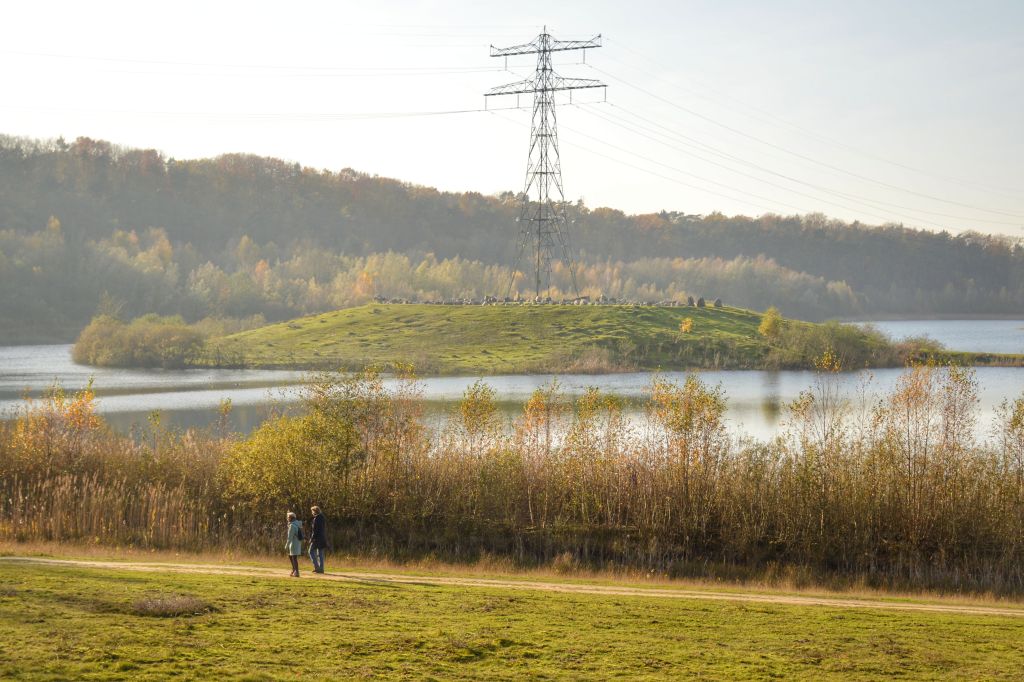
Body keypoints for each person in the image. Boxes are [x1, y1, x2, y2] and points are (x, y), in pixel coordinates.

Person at [309, 505, 327, 574]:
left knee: (310, 551)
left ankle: (317, 567)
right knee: (320, 554)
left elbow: (315, 530)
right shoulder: (322, 517)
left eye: (312, 511)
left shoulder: (316, 518)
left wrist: (312, 538)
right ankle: (321, 568)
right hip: (322, 538)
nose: (312, 513)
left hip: (317, 539)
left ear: (314, 511)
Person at [285, 511, 303, 577]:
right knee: (292, 556)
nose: (287, 518)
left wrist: (286, 545)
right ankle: (294, 570)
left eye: (288, 517)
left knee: (294, 557)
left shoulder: (292, 526)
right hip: (297, 542)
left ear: (290, 518)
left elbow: (290, 537)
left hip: (293, 543)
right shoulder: (298, 524)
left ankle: (296, 572)